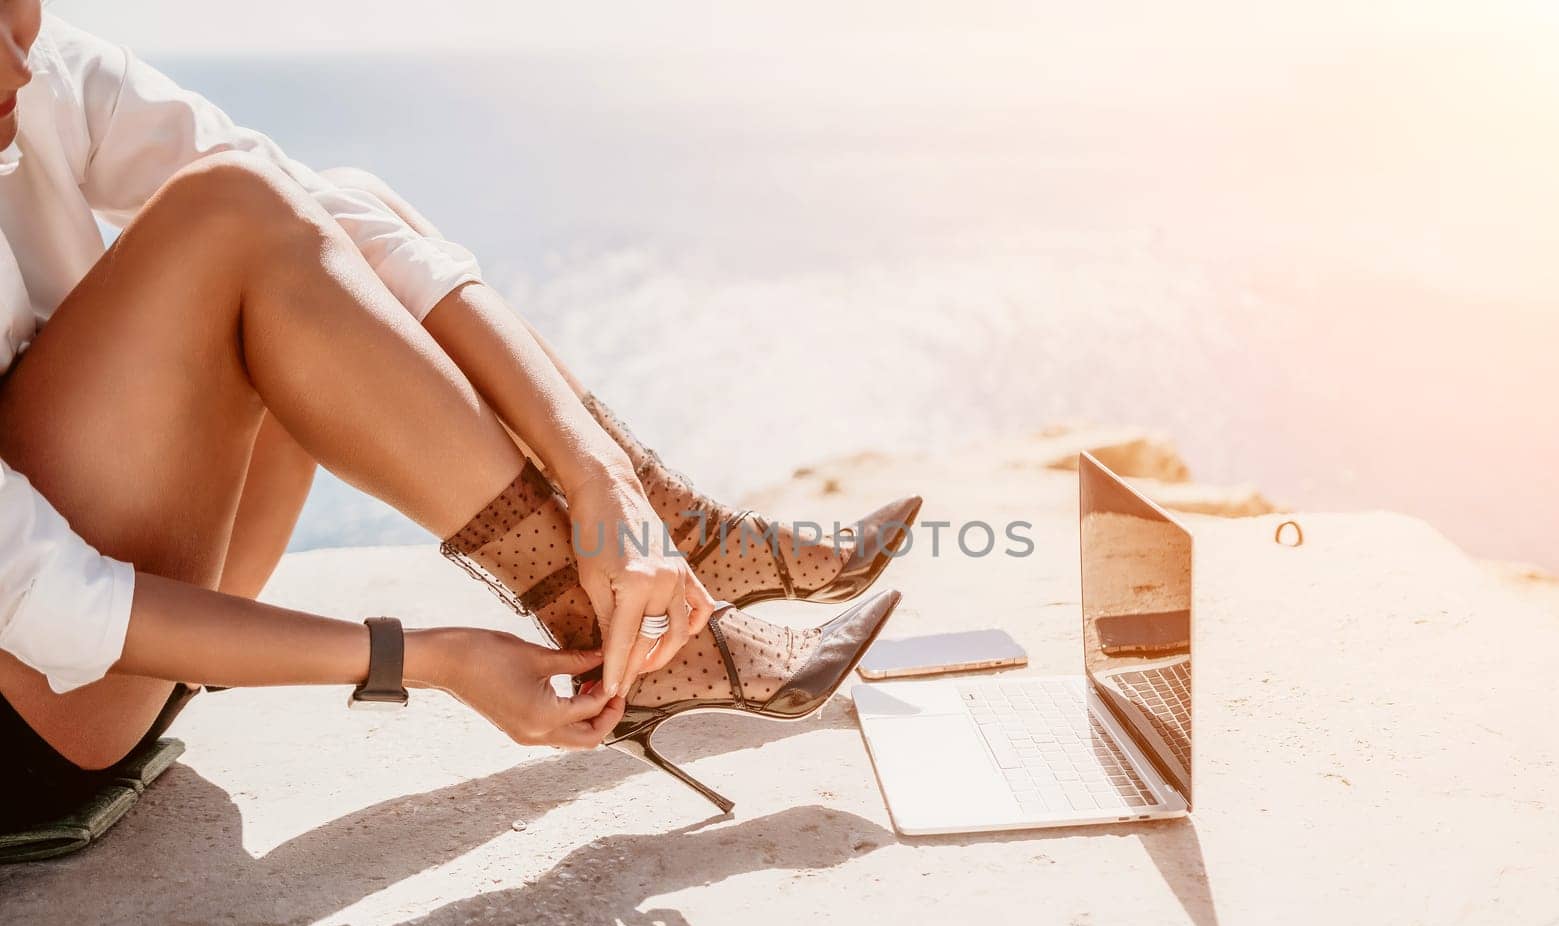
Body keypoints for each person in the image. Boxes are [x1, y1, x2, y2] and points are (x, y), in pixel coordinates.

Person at [0, 7, 917, 825]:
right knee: (232, 216)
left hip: (129, 642)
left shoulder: (47, 74)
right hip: (41, 708)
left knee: (331, 207)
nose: (15, 65)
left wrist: (605, 475)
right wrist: (426, 658)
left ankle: (674, 526)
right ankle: (644, 642)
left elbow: (332, 218)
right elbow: (52, 601)